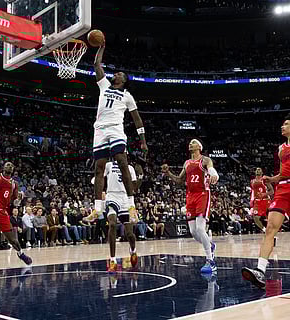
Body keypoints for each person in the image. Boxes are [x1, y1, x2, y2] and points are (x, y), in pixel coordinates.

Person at [242, 113, 290, 289]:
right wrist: (274, 179)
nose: (282, 126)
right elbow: (284, 172)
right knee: (270, 228)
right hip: (283, 190)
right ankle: (260, 270)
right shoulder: (281, 148)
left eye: (285, 124)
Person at [83, 39, 148, 224]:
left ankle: (131, 205)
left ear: (124, 80)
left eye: (119, 73)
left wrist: (142, 140)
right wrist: (102, 47)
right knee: (99, 168)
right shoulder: (104, 86)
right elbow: (96, 65)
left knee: (121, 161)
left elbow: (137, 119)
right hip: (100, 130)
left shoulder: (127, 96)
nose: (116, 74)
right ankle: (97, 209)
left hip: (116, 129)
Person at [162, 139, 219, 273]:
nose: (190, 144)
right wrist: (168, 173)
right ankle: (210, 245)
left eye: (193, 142)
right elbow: (179, 181)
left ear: (199, 147)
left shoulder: (205, 160)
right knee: (193, 232)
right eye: (190, 142)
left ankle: (210, 261)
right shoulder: (187, 163)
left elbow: (211, 170)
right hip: (190, 196)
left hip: (202, 194)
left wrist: (214, 175)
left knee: (200, 228)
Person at [93, 157, 143, 272]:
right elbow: (100, 177)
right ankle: (113, 259)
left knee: (130, 234)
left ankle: (133, 250)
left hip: (125, 199)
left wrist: (140, 176)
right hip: (112, 197)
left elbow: (134, 187)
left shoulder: (130, 168)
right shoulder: (109, 165)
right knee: (112, 224)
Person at [250, 168, 274, 233]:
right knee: (255, 218)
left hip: (266, 201)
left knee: (271, 217)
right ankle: (264, 230)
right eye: (257, 169)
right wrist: (252, 200)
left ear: (262, 172)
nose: (258, 170)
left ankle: (273, 230)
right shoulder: (252, 181)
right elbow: (253, 192)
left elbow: (272, 191)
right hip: (257, 202)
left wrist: (264, 194)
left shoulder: (265, 180)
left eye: (259, 169)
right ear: (255, 172)